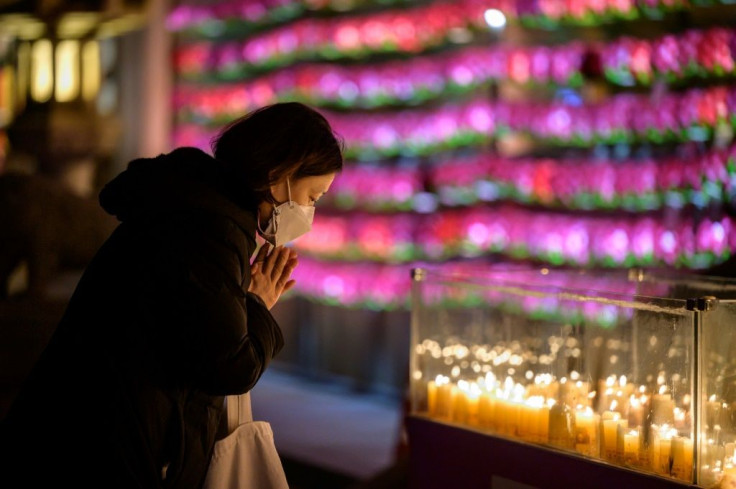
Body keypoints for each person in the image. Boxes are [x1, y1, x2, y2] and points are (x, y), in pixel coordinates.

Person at [0, 102, 344, 488]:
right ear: (279, 175)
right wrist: (259, 306)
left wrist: (240, 300)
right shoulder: (211, 230)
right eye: (312, 196)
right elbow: (228, 366)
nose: (309, 212)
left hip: (84, 432)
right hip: (103, 448)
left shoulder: (188, 206)